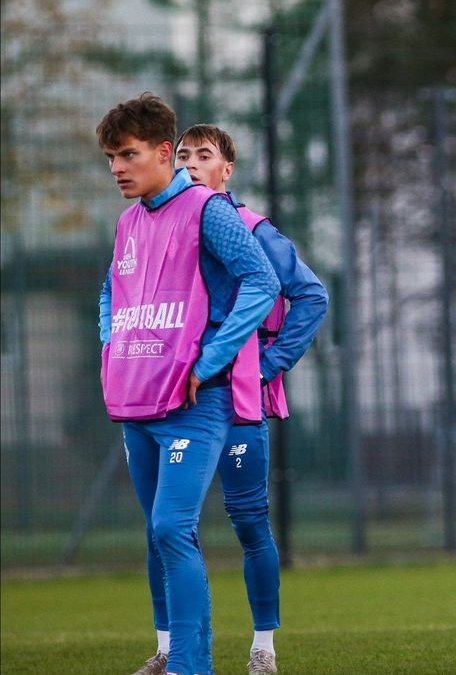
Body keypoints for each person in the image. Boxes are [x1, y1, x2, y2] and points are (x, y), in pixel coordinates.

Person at [127, 124, 329, 675]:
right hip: (169, 397)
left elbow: (311, 296)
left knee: (248, 521)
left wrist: (265, 365)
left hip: (234, 399)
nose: (191, 163)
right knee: (164, 527)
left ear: (227, 170)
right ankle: (169, 648)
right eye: (183, 154)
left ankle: (263, 647)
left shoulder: (251, 228)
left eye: (204, 155)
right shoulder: (160, 223)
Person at [97, 93, 280, 675]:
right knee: (161, 534)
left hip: (197, 401)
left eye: (127, 154)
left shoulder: (208, 210)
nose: (117, 168)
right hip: (138, 400)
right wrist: (112, 349)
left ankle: (191, 665)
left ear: (162, 152)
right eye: (110, 158)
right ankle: (178, 655)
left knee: (173, 527)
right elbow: (110, 293)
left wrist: (209, 361)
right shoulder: (128, 221)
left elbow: (263, 282)